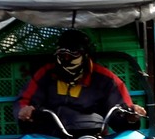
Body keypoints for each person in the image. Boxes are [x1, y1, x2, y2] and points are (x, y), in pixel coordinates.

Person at [14, 29, 146, 128]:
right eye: (62, 55)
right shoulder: (45, 74)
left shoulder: (105, 79)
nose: (66, 59)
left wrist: (131, 117)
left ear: (85, 55)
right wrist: (24, 111)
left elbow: (122, 111)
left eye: (73, 55)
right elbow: (24, 101)